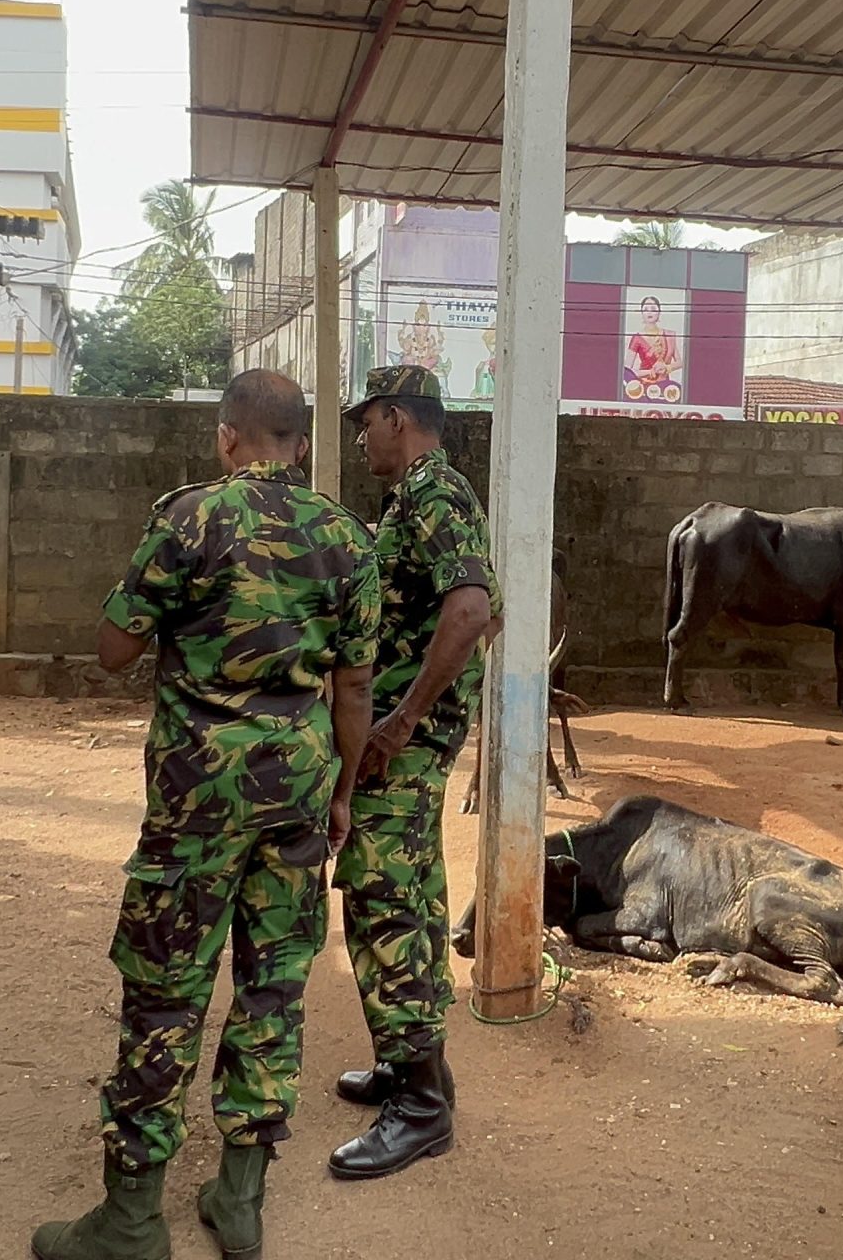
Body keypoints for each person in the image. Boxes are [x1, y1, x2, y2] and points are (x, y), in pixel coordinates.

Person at [32, 369, 380, 1260]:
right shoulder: (347, 535)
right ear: (301, 445)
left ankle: (131, 1220)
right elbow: (354, 688)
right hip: (298, 790)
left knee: (164, 990)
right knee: (274, 985)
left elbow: (114, 650)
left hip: (198, 797)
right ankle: (240, 1199)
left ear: (227, 437)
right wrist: (341, 794)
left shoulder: (187, 519)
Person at [327, 364, 499, 1181]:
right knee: (416, 898)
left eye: (366, 422)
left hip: (403, 745)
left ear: (397, 417)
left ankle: (422, 1109)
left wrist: (401, 720)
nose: (361, 438)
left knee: (383, 900)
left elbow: (473, 610)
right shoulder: (417, 499)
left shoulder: (435, 496)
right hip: (410, 742)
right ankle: (412, 1066)